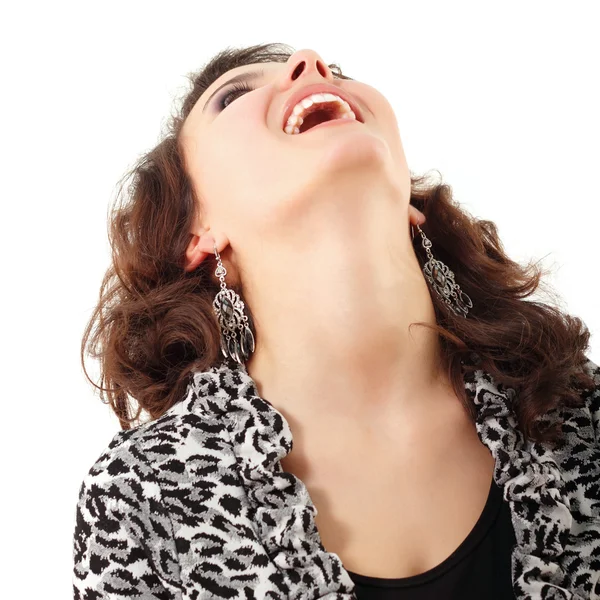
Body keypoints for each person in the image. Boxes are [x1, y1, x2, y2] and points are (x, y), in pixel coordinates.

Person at [72, 43, 600, 600]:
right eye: (234, 96)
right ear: (196, 234)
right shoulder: (143, 496)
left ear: (411, 202)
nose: (311, 63)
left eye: (338, 72)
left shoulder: (577, 418)